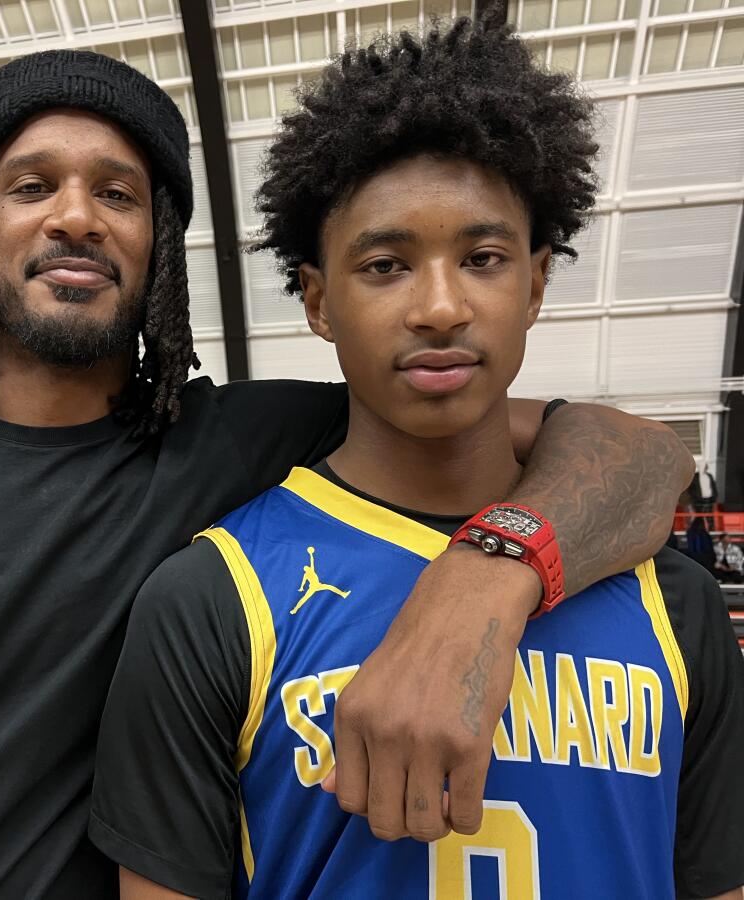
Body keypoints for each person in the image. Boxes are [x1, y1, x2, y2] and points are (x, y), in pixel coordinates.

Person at [0, 50, 693, 898]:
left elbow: (642, 455)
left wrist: (485, 578)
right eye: (34, 185)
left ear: (161, 247)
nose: (75, 215)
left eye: (118, 193)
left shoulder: (249, 442)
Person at [89, 20, 744, 899]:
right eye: (387, 264)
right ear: (318, 301)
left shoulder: (677, 603)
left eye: (482, 258)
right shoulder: (209, 601)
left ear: (537, 283)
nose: (439, 306)